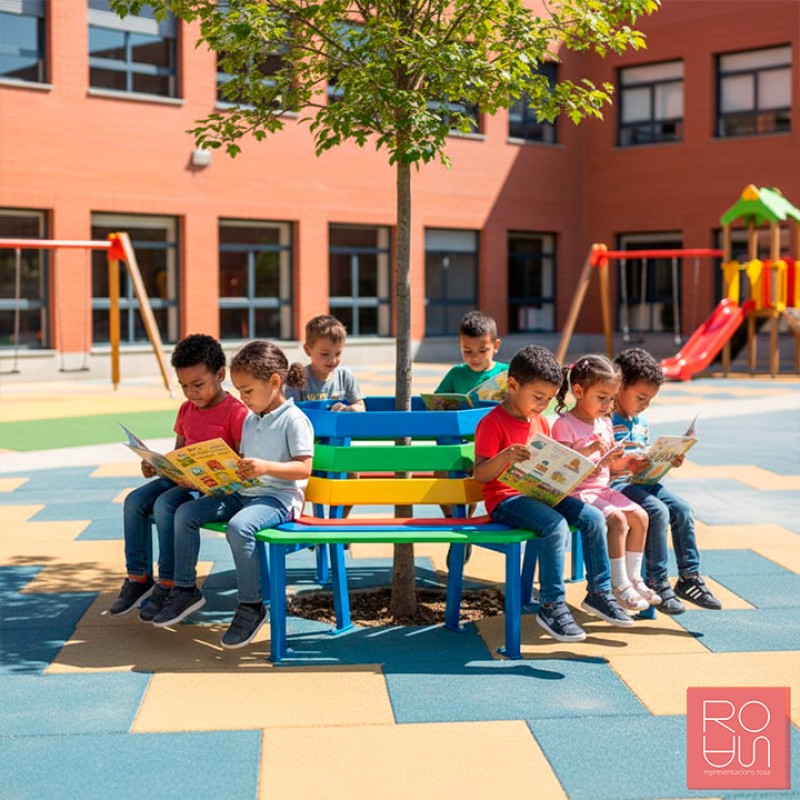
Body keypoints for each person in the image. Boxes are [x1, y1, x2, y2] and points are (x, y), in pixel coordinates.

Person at [150, 340, 315, 649]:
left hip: (278, 499)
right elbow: (242, 462)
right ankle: (184, 589)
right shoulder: (252, 419)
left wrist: (265, 466)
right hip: (245, 493)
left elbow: (304, 469)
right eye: (239, 391)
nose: (243, 398)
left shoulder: (294, 420)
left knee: (241, 527)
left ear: (275, 382)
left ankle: (251, 606)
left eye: (248, 391)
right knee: (186, 513)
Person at [474, 345, 634, 643]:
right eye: (538, 398)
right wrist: (506, 457)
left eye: (548, 399)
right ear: (512, 385)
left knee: (592, 517)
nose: (542, 405)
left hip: (539, 493)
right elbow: (480, 474)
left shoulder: (541, 421)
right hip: (506, 499)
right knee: (555, 525)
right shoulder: (492, 422)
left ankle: (599, 592)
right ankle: (552, 605)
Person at [109, 334, 248, 620]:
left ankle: (172, 583)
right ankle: (138, 578)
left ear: (220, 374)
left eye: (197, 384)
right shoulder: (186, 409)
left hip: (215, 490)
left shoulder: (236, 413)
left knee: (166, 505)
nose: (190, 392)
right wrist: (157, 466)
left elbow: (241, 463)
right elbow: (179, 453)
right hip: (184, 481)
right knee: (133, 501)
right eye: (184, 386)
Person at [612, 347, 722, 612]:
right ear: (618, 387)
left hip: (643, 483)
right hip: (618, 487)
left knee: (682, 509)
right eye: (640, 397)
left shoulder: (640, 421)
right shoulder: (605, 418)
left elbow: (646, 454)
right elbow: (606, 467)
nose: (644, 405)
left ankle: (689, 577)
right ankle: (657, 580)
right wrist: (631, 464)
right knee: (658, 511)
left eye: (650, 399)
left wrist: (666, 459)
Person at [552, 354, 660, 613]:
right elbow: (562, 472)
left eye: (611, 399)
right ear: (578, 391)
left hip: (603, 488)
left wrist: (624, 463)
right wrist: (590, 450)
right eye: (602, 398)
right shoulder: (564, 425)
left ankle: (634, 578)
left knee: (641, 517)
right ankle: (617, 584)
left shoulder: (604, 423)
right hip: (578, 493)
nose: (607, 405)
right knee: (618, 520)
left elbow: (609, 470)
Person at [285, 314, 365, 411]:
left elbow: (361, 407)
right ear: (308, 350)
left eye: (338, 353)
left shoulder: (345, 376)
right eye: (325, 354)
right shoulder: (298, 378)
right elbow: (289, 412)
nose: (332, 360)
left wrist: (348, 409)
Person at [434, 309, 508, 396]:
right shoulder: (455, 374)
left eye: (482, 351)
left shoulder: (507, 373)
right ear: (460, 345)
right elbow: (436, 403)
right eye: (467, 351)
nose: (475, 357)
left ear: (496, 346)